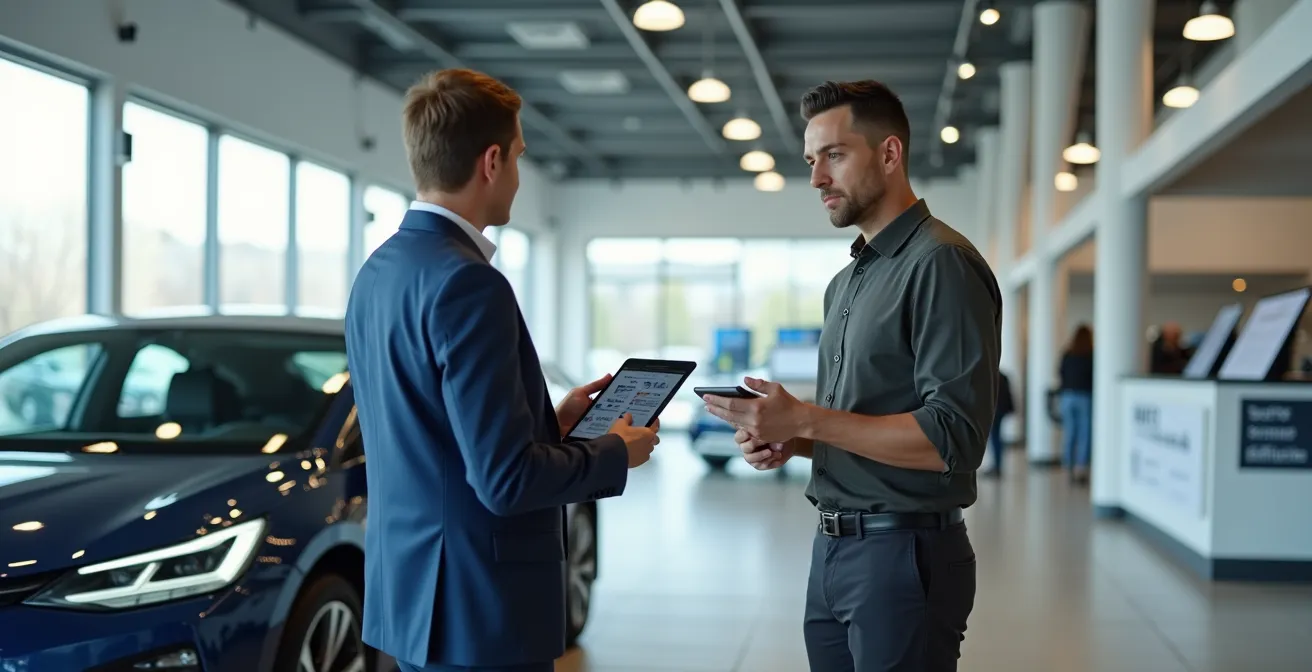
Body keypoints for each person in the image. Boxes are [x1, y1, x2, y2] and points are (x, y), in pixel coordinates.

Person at [344, 68, 660, 672]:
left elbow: (432, 435)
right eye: (517, 156)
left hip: (414, 596)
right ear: (491, 162)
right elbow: (504, 480)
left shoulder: (379, 273)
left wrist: (549, 422)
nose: (518, 172)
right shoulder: (469, 284)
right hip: (479, 610)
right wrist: (615, 451)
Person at [703, 80, 1001, 672]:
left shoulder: (939, 263)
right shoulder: (847, 282)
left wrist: (807, 416)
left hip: (905, 554)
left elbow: (955, 439)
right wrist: (796, 441)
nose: (816, 179)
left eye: (834, 156)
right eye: (812, 161)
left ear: (889, 154)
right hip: (834, 547)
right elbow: (862, 424)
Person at [1058, 324, 1095, 483]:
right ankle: (1080, 467)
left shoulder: (1068, 354)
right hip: (1084, 396)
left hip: (1067, 396)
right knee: (1084, 433)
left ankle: (1068, 466)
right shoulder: (1091, 355)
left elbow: (1060, 373)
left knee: (1070, 432)